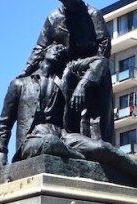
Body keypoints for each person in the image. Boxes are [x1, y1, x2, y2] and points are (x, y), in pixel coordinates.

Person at [0, 43, 137, 191]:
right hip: (32, 140)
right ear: (44, 53)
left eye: (63, 50)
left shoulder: (64, 78)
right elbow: (4, 124)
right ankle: (85, 159)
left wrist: (82, 83)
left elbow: (99, 61)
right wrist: (0, 155)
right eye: (55, 47)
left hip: (62, 134)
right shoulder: (19, 84)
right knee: (49, 144)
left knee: (102, 147)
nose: (60, 49)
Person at [20, 0, 113, 142]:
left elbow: (103, 53)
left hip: (92, 73)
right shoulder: (53, 18)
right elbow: (40, 48)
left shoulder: (93, 14)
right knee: (65, 117)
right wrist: (25, 72)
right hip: (65, 74)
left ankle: (98, 150)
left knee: (94, 121)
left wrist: (85, 81)